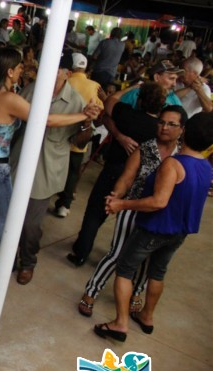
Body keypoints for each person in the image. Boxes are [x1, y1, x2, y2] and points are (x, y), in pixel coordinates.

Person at [0, 49, 96, 286]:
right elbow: (47, 120)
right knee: (3, 218)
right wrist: (82, 115)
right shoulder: (10, 98)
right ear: (9, 71)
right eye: (20, 66)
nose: (26, 69)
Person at [94, 112, 213, 342]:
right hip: (179, 232)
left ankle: (120, 323)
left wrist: (122, 203)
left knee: (125, 270)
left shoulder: (173, 164)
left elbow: (158, 202)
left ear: (184, 131)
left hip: (155, 228)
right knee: (157, 272)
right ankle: (147, 317)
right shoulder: (206, 167)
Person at [78, 106, 186, 317]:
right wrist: (116, 197)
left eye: (171, 124)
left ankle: (136, 293)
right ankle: (91, 292)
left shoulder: (183, 154)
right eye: (161, 122)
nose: (164, 127)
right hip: (132, 208)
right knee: (117, 253)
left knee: (147, 258)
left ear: (182, 129)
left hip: (160, 214)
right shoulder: (144, 149)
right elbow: (127, 178)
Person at [11, 54, 100, 285]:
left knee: (30, 224)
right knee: (9, 216)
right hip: (18, 162)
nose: (49, 72)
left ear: (67, 74)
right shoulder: (31, 90)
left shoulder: (77, 101)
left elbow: (80, 142)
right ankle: (6, 258)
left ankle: (28, 261)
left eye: (56, 69)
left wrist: (87, 122)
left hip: (47, 169)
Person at [67, 82, 167, 267]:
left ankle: (81, 251)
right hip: (140, 178)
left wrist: (132, 87)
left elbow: (111, 100)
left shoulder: (127, 115)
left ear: (140, 99)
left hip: (114, 169)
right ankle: (119, 257)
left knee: (96, 211)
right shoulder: (159, 130)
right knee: (128, 220)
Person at [53, 52, 105, 218]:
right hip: (80, 137)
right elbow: (100, 112)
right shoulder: (95, 86)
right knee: (73, 171)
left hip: (57, 134)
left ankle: (49, 193)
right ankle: (64, 204)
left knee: (53, 167)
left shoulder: (64, 80)